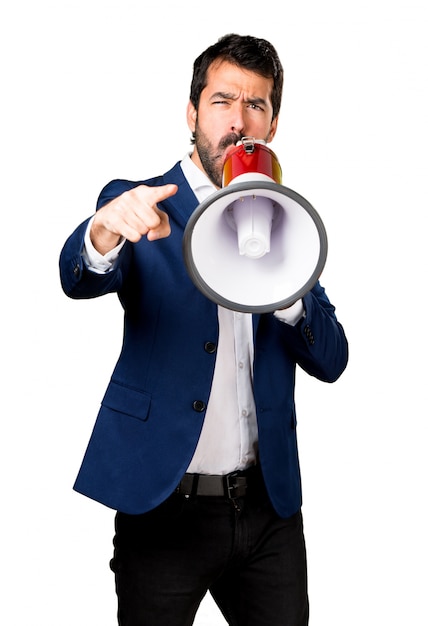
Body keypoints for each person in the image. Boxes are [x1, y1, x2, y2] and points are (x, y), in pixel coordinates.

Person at [59, 33, 348, 626]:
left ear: (273, 123)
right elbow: (77, 277)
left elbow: (334, 359)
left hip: (267, 511)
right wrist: (104, 231)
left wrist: (288, 293)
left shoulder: (285, 222)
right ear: (192, 112)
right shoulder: (139, 202)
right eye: (221, 102)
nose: (238, 122)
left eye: (256, 105)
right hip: (164, 506)